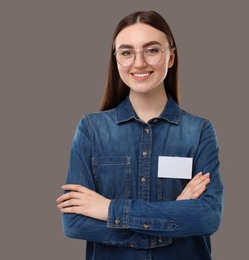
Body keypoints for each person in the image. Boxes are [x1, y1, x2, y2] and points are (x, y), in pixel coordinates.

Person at [56, 10, 224, 260]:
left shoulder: (199, 131)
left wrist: (109, 209)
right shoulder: (91, 129)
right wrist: (175, 215)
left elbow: (208, 217)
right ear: (116, 60)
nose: (139, 63)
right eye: (126, 52)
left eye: (152, 50)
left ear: (171, 57)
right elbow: (75, 223)